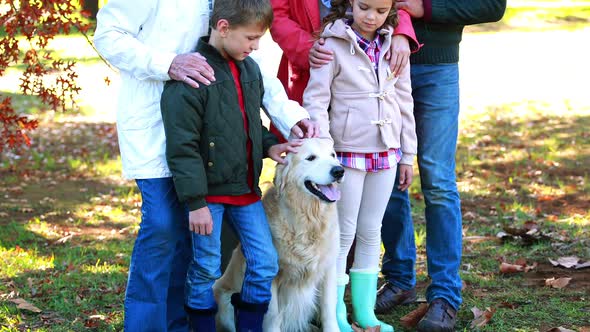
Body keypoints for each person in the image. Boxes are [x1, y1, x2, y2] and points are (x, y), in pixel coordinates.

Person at [93, 0, 317, 330]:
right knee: (163, 225)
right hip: (156, 124)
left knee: (195, 237)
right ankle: (144, 325)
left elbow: (249, 60)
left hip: (214, 144)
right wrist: (167, 63)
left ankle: (181, 322)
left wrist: (290, 115)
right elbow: (109, 35)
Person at [160, 1, 301, 330]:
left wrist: (271, 145)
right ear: (223, 28)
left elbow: (251, 124)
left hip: (247, 191)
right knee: (207, 267)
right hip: (208, 196)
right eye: (251, 38)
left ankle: (248, 326)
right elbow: (183, 149)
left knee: (265, 262)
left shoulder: (250, 69)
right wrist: (195, 204)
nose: (255, 46)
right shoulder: (191, 77)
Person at [375, 1, 507, 331]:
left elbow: (491, 5)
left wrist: (425, 8)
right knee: (388, 172)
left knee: (437, 179)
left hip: (438, 67)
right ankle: (399, 278)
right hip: (380, 60)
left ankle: (445, 294)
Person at [302, 0, 417, 330]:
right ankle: (333, 311)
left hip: (387, 151)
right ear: (350, 3)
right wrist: (325, 152)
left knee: (371, 231)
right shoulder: (331, 43)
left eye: (381, 11)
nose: (371, 16)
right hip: (347, 153)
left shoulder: (393, 44)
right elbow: (317, 100)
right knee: (343, 232)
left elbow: (404, 100)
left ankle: (365, 312)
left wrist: (407, 154)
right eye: (364, 7)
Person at [270, 0, 420, 107]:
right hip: (309, 72)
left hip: (368, 76)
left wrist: (400, 32)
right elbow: (276, 16)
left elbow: (398, 4)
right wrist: (308, 48)